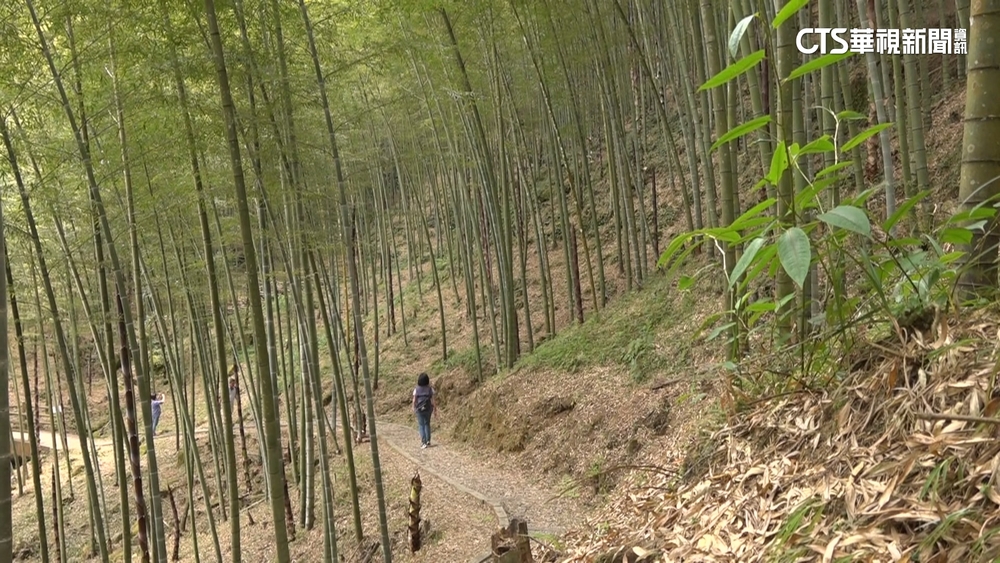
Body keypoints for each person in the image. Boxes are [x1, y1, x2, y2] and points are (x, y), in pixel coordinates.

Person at [412, 373, 436, 448]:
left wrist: (413, 407)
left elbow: (414, 400)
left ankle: (423, 442)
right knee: (427, 424)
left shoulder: (416, 389)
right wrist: (435, 409)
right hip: (428, 409)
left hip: (419, 409)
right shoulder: (430, 389)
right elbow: (433, 400)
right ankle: (428, 440)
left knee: (421, 425)